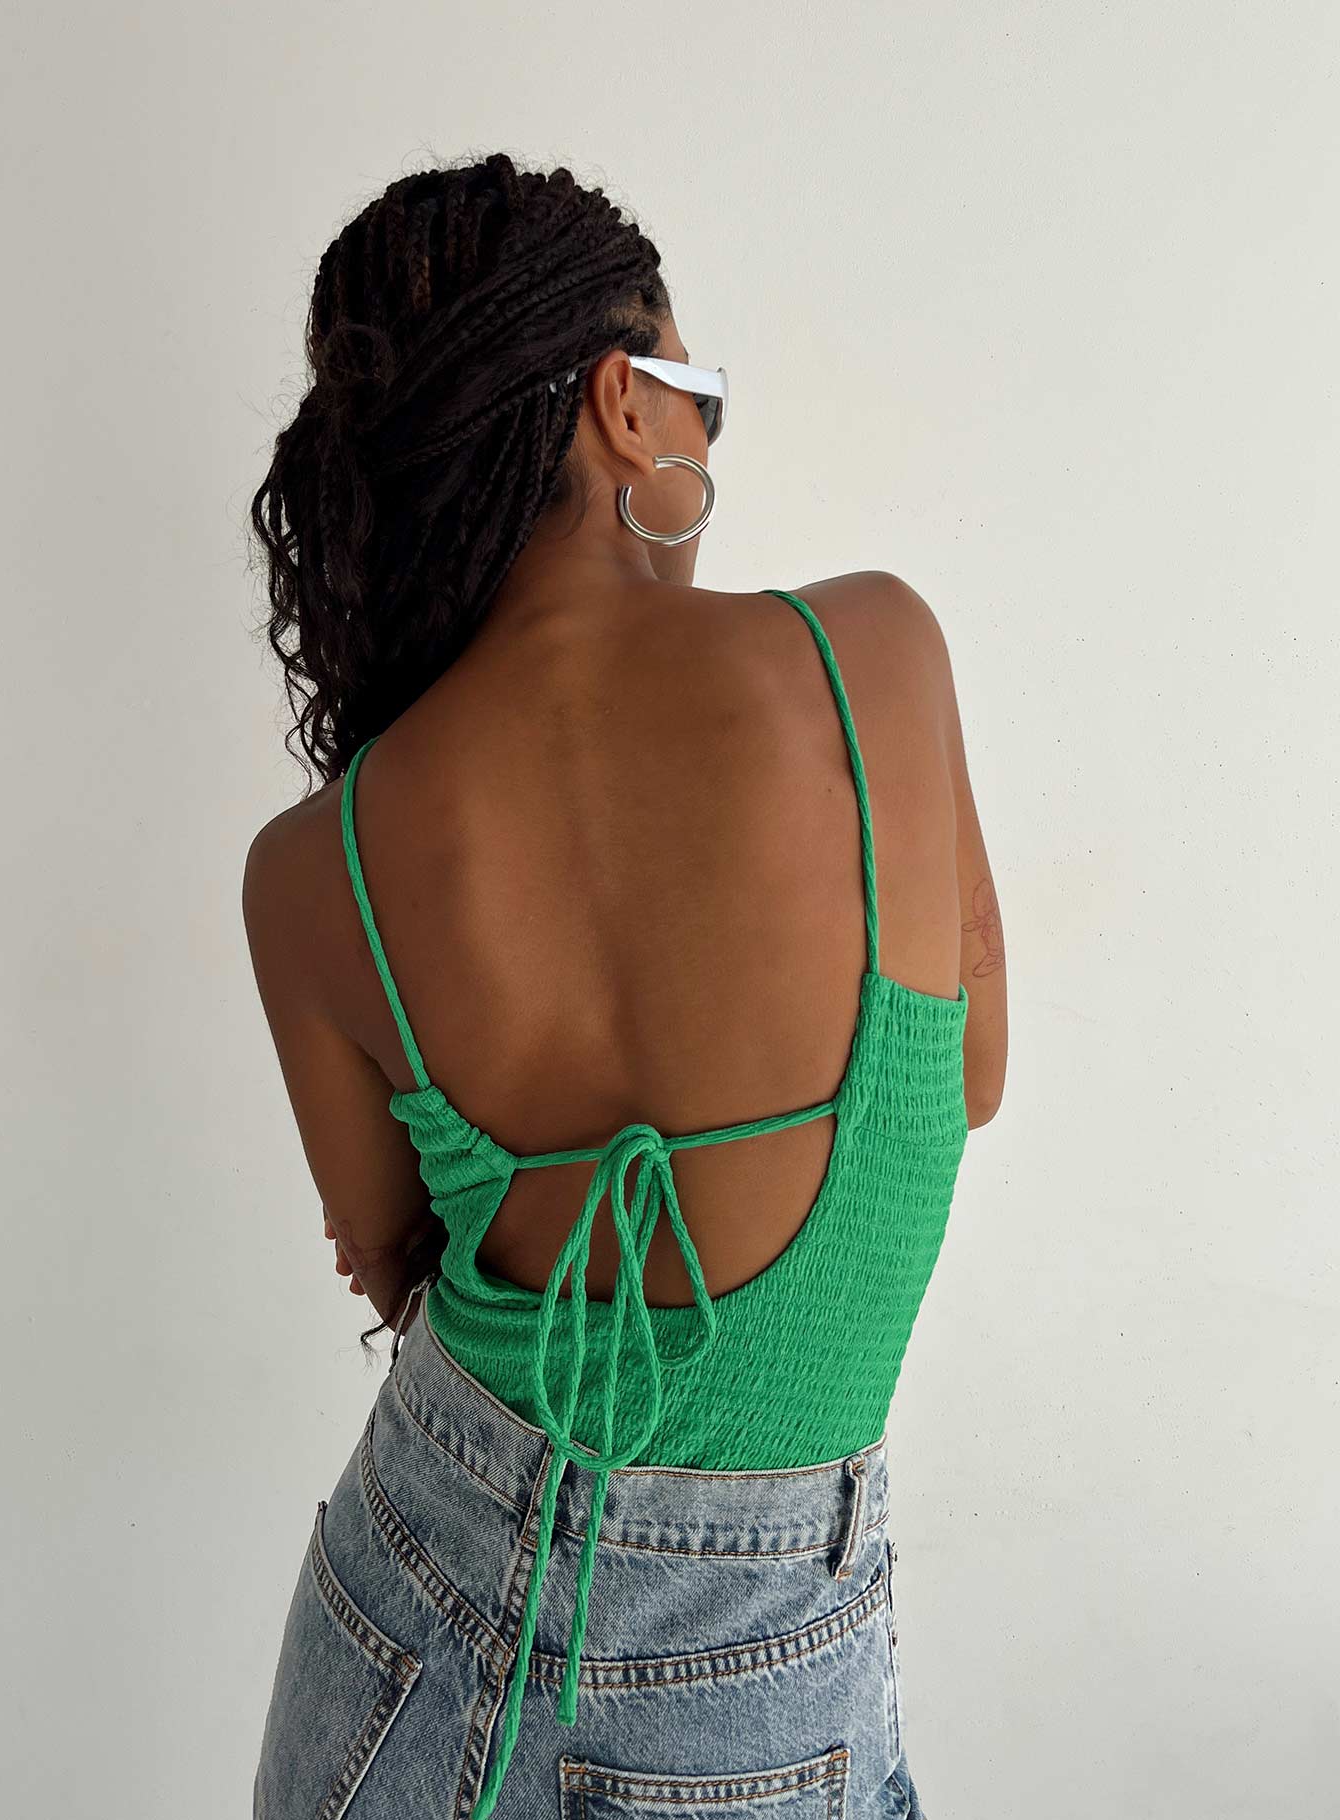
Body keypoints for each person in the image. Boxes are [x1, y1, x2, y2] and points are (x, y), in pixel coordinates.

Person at [242, 151, 1006, 1820]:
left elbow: (389, 1256)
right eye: (697, 401)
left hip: (392, 1623)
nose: (707, 449)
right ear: (624, 403)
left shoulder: (317, 864)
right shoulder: (873, 659)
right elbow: (964, 1075)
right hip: (747, 1690)